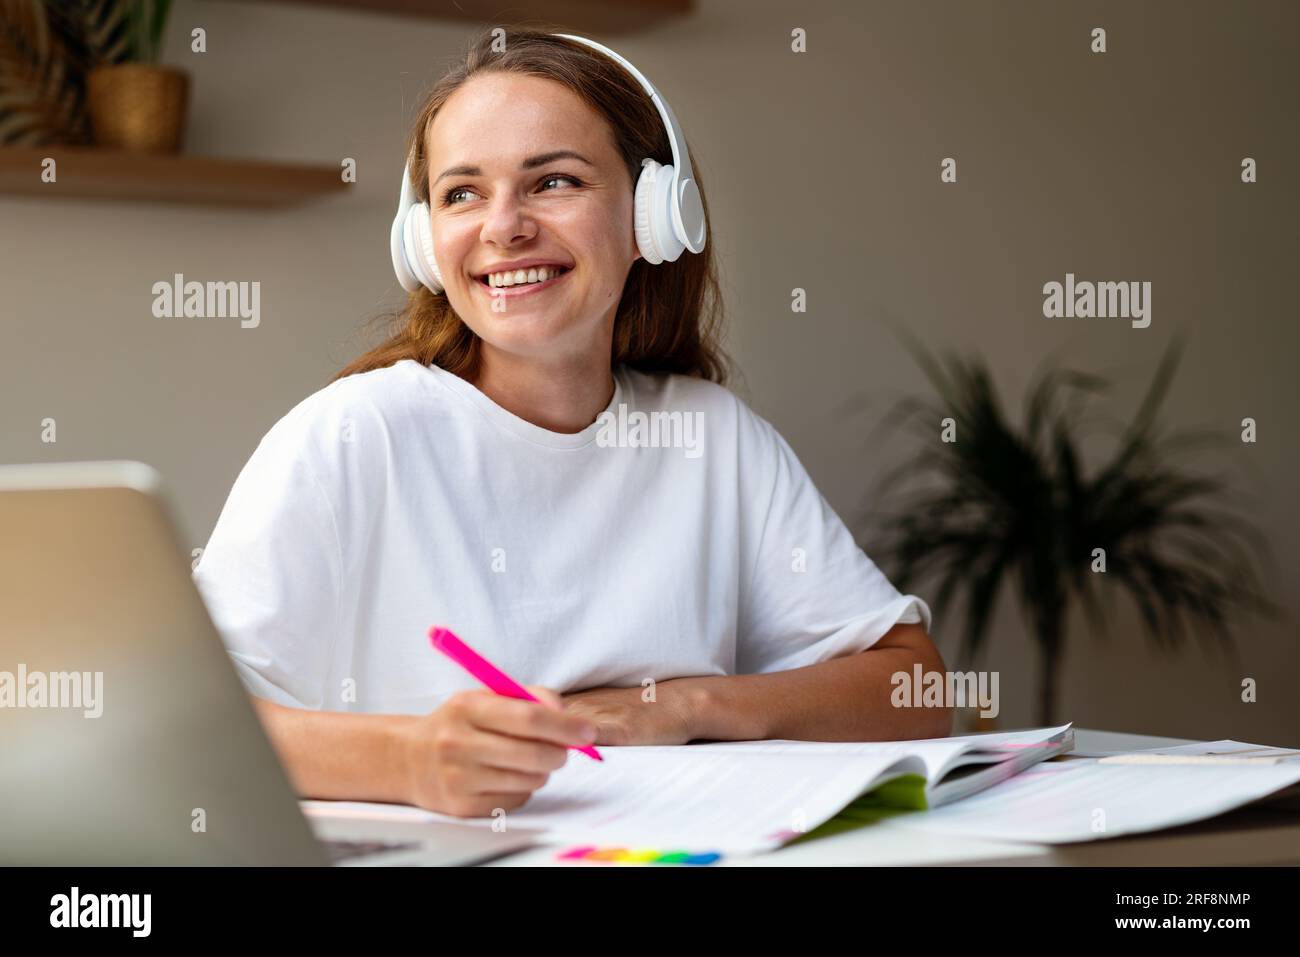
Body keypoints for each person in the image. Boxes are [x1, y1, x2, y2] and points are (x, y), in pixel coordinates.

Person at [193, 29, 949, 820]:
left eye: (552, 181)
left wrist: (684, 706)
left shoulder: (713, 438)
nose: (504, 226)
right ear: (423, 243)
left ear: (653, 217)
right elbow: (192, 725)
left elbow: (916, 687)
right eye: (461, 193)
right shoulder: (351, 436)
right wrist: (411, 759)